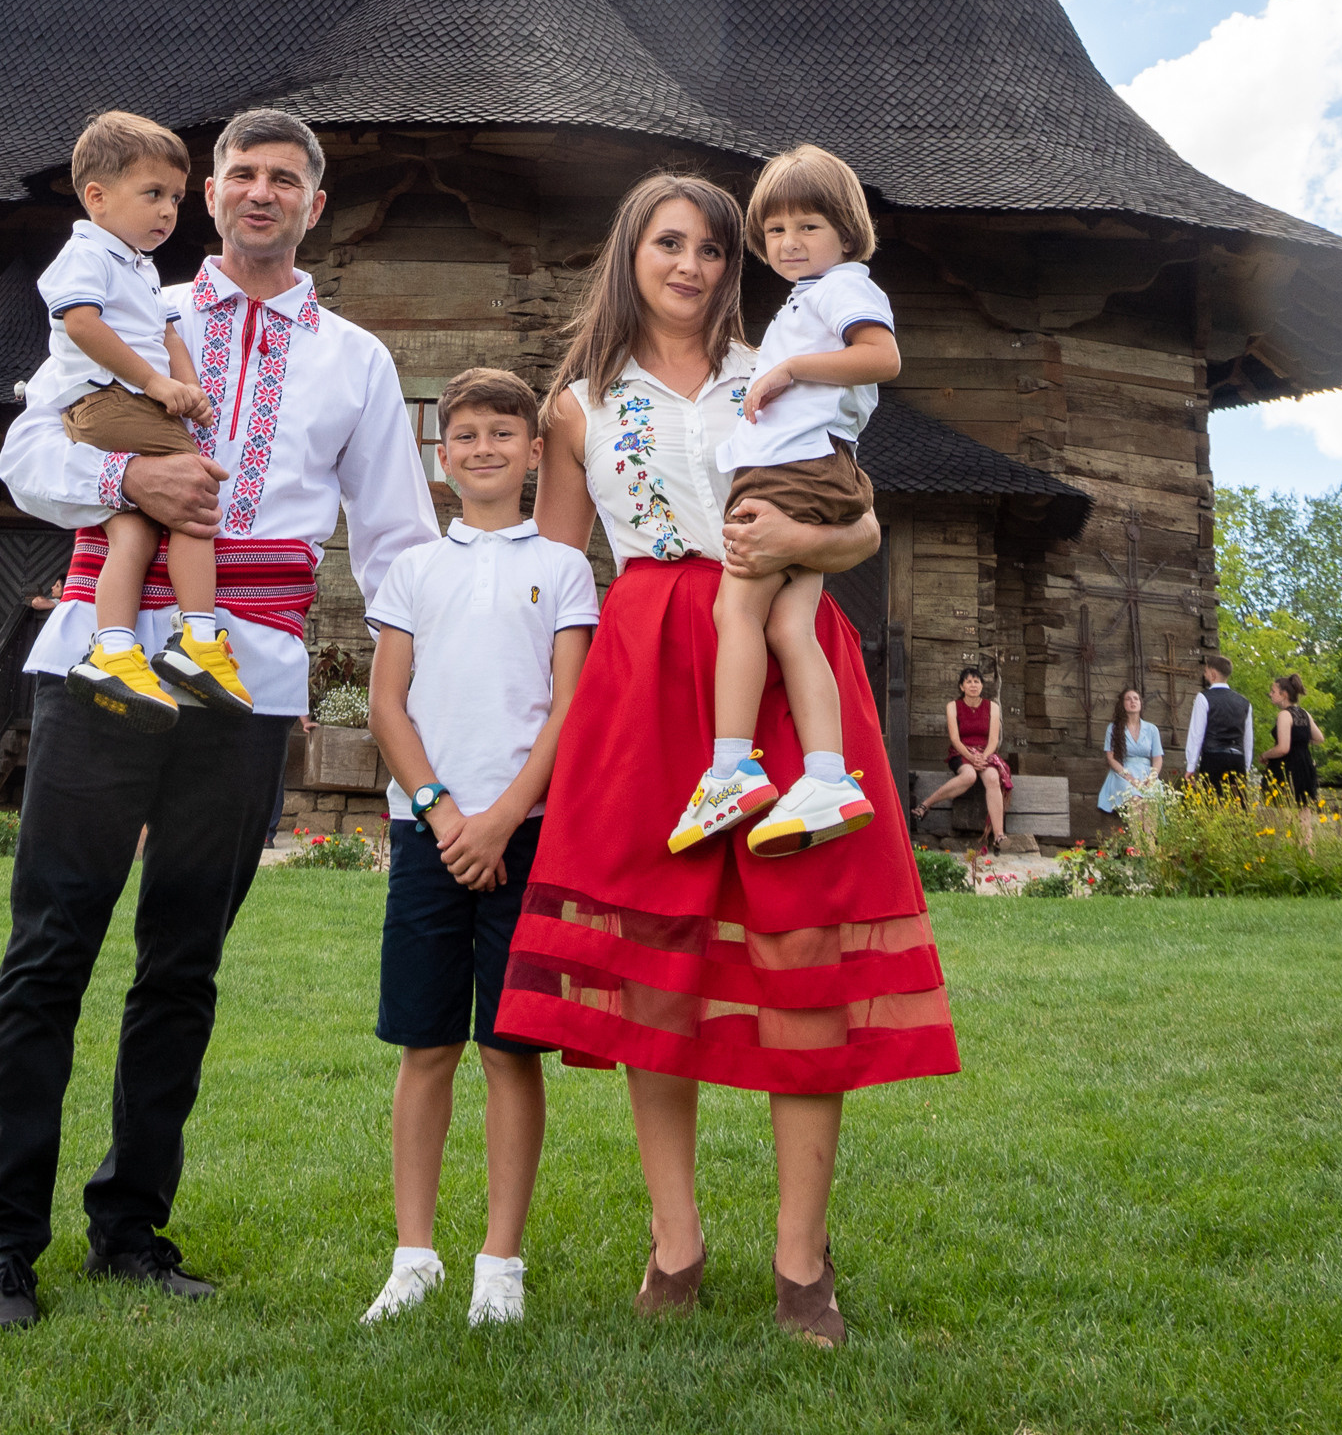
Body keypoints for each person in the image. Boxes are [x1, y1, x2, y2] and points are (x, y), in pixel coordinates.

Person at [0, 108, 438, 1331]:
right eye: (241, 174)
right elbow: (23, 459)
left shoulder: (357, 359)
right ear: (208, 194)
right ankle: (4, 1247)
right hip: (96, 658)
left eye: (286, 178)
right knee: (50, 946)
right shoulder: (122, 304)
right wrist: (130, 480)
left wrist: (443, 691)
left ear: (314, 205)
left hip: (251, 675)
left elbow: (395, 543)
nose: (261, 192)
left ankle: (130, 1227)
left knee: (182, 961)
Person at [495, 173, 959, 1348]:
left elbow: (858, 522)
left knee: (804, 948)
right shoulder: (578, 405)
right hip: (647, 675)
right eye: (668, 243)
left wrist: (807, 536)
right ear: (630, 254)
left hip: (782, 663)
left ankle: (802, 1260)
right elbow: (552, 578)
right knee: (658, 961)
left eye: (710, 247)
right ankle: (676, 1240)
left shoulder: (786, 363)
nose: (692, 266)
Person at [361, 367, 597, 1331]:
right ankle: (414, 1255)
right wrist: (443, 809)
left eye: (505, 433)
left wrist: (502, 818)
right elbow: (387, 701)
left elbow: (569, 706)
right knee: (427, 1046)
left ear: (536, 454)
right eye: (465, 436)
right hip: (429, 835)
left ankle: (500, 1262)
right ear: (442, 455)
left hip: (525, 833)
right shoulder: (414, 567)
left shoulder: (568, 568)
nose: (485, 448)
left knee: (509, 1049)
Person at [678, 144, 900, 860]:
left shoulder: (842, 290)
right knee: (790, 628)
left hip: (790, 474)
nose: (789, 242)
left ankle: (731, 770)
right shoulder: (810, 297)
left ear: (845, 229)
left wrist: (791, 370)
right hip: (817, 474)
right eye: (775, 230)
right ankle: (828, 775)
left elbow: (882, 358)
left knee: (735, 609)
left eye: (808, 226)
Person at [33, 110, 240, 723]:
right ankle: (199, 639)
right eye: (153, 194)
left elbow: (166, 330)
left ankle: (115, 648)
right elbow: (80, 323)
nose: (168, 211)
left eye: (175, 198)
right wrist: (154, 383)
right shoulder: (87, 255)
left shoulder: (139, 267)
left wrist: (189, 386)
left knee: (134, 529)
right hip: (109, 399)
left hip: (125, 401)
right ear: (97, 198)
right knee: (195, 498)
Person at [915, 669, 1011, 849]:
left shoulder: (993, 707)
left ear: (982, 685)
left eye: (977, 681)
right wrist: (971, 757)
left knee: (992, 778)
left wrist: (983, 757)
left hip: (985, 753)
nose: (973, 685)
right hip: (961, 753)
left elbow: (993, 740)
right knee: (969, 776)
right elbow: (955, 739)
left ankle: (999, 835)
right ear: (962, 686)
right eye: (969, 682)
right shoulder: (953, 706)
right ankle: (926, 805)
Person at [1183, 656, 1254, 796]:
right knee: (1237, 808)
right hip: (1237, 759)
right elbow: (1248, 739)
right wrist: (1246, 767)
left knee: (1212, 807)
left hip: (1213, 758)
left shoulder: (1204, 697)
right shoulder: (1245, 702)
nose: (1204, 674)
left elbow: (1196, 734)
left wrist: (1191, 766)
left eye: (1206, 671)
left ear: (1213, 674)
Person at [1262, 673, 1323, 832]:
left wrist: (1265, 754)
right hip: (1305, 767)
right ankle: (1307, 853)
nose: (1270, 694)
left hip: (1288, 769)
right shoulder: (1304, 714)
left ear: (1284, 695)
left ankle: (1295, 850)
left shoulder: (1284, 715)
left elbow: (1283, 748)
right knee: (1305, 819)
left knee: (1287, 818)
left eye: (1273, 691)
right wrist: (1300, 740)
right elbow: (1319, 738)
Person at [1095, 685, 1162, 823]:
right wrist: (1130, 778)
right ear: (1122, 704)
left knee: (1150, 801)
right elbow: (1111, 757)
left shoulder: (1152, 729)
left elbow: (1157, 758)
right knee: (1135, 799)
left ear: (1141, 703)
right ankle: (1137, 843)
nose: (1133, 701)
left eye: (1136, 698)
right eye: (1128, 699)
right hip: (1123, 774)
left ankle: (1150, 843)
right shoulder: (1113, 728)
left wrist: (1152, 778)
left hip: (1146, 774)